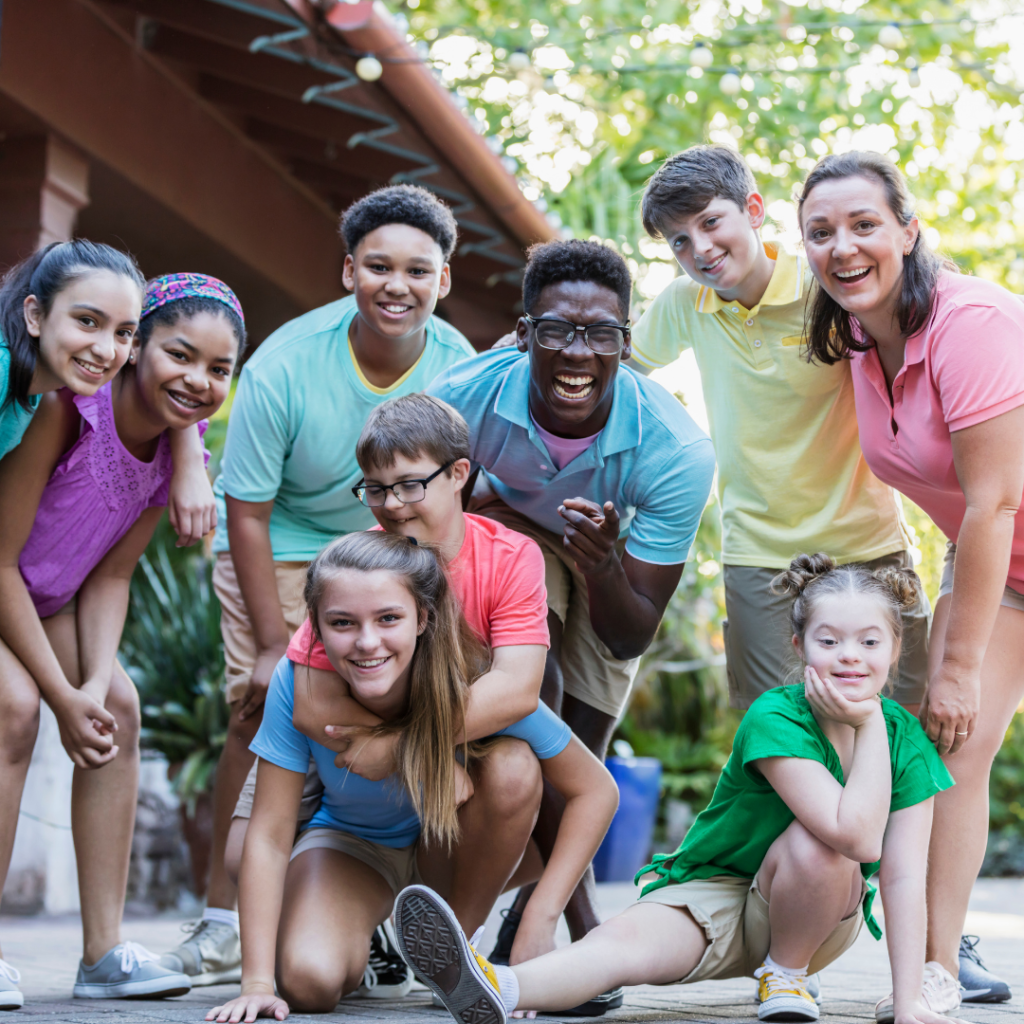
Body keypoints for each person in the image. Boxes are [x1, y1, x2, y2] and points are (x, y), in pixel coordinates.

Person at [395, 554, 963, 1024]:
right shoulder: (776, 717)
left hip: (813, 914)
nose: (849, 657)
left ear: (895, 649)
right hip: (711, 889)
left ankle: (786, 977)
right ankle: (496, 986)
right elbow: (856, 829)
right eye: (829, 640)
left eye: (869, 642)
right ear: (798, 647)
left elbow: (889, 863)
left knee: (820, 847)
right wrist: (864, 724)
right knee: (617, 949)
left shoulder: (902, 738)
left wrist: (908, 1001)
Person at [166, 185, 478, 985]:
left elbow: (460, 497)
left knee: (416, 708)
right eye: (378, 266)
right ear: (348, 271)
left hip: (398, 549)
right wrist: (274, 643)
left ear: (445, 279)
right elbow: (245, 510)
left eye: (417, 269)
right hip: (283, 546)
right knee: (260, 712)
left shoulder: (460, 368)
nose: (396, 285)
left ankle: (378, 905)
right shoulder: (285, 365)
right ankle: (222, 921)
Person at [428, 239, 715, 1000]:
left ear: (626, 340)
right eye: (556, 330)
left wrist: (602, 563)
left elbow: (630, 633)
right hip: (513, 533)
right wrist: (476, 504)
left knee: (578, 750)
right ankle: (577, 933)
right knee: (536, 682)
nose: (577, 352)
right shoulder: (461, 397)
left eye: (602, 334)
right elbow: (416, 519)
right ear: (522, 333)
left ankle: (535, 908)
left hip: (613, 564)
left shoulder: (675, 449)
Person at [205, 531, 618, 1023]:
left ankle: (455, 950)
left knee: (513, 767)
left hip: (453, 846)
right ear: (314, 626)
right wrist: (256, 984)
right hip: (353, 845)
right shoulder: (300, 686)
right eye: (342, 622)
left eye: (388, 619)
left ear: (422, 618)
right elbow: (269, 833)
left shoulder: (473, 682)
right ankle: (373, 943)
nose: (366, 642)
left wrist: (538, 920)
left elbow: (596, 790)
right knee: (308, 982)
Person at [226, 393, 552, 991]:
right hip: (340, 751)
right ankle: (344, 918)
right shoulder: (367, 563)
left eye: (407, 486)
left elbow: (516, 689)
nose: (391, 505)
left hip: (436, 766)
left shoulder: (505, 558)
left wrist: (405, 748)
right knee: (245, 854)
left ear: (459, 475)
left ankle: (452, 950)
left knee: (521, 777)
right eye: (374, 489)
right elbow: (311, 701)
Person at [798, 150, 1024, 1005]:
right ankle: (932, 974)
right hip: (1002, 565)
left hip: (998, 538)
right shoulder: (859, 336)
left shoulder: (972, 325)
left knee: (953, 717)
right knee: (947, 756)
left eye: (864, 225)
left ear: (909, 229)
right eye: (821, 232)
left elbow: (994, 503)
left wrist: (959, 665)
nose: (843, 247)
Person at [0, 274, 244, 1007]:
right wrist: (56, 695)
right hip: (6, 583)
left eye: (218, 369)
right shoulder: (67, 412)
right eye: (179, 354)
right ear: (136, 348)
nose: (197, 380)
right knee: (15, 708)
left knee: (117, 708)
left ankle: (102, 952)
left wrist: (91, 685)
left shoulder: (181, 443)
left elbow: (110, 576)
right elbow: (1, 556)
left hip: (53, 601)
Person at [628, 144, 928, 712]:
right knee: (777, 735)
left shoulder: (828, 288)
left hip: (867, 542)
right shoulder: (685, 304)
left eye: (711, 222)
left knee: (903, 728)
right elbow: (614, 369)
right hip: (759, 555)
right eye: (680, 241)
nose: (701, 249)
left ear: (755, 209)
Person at [0, 240, 217, 546]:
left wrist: (191, 461)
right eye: (88, 321)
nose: (105, 350)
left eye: (123, 333)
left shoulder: (38, 388)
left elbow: (171, 394)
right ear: (35, 315)